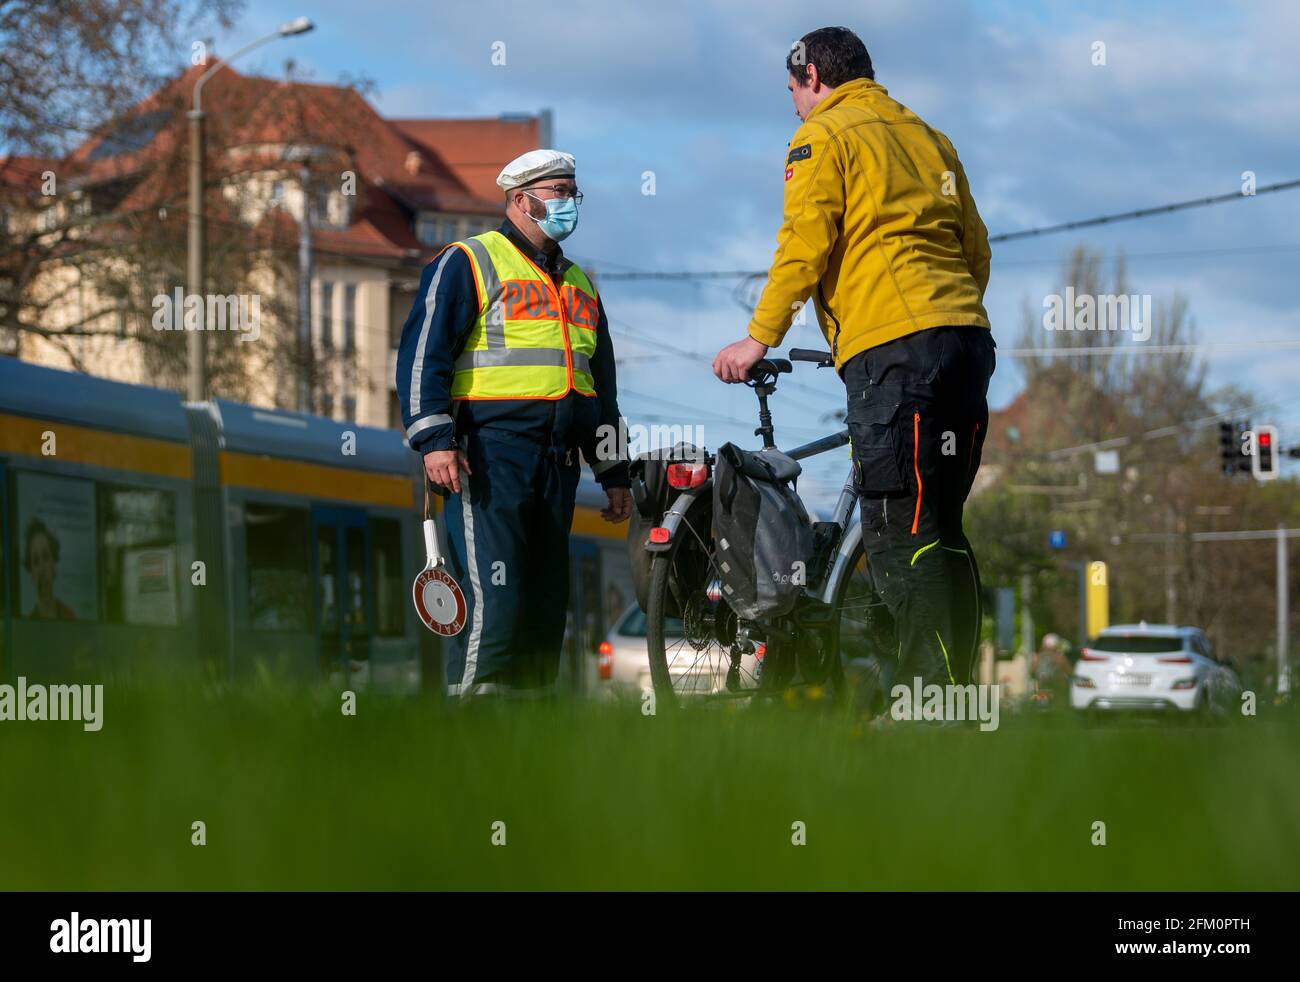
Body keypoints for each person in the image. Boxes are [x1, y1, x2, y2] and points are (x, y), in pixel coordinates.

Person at [712, 26, 995, 691]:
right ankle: (950, 697)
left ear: (812, 76)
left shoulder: (824, 135)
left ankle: (927, 702)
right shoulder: (929, 138)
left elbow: (804, 243)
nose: (794, 106)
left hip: (894, 352)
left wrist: (759, 337)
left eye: (793, 91)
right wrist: (942, 316)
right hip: (966, 341)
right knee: (942, 531)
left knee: (898, 530)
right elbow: (975, 247)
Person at [397, 149, 632, 698]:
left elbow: (602, 390)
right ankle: (474, 737)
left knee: (542, 616)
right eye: (559, 193)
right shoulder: (468, 261)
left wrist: (615, 472)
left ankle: (526, 751)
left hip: (557, 467)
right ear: (521, 200)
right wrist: (434, 440)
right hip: (489, 460)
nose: (570, 203)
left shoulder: (581, 285)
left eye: (574, 192)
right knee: (494, 610)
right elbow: (421, 356)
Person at [24, 518, 76, 620]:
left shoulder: (70, 616)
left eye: (46, 556)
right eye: (35, 561)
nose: (42, 569)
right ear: (31, 574)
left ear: (54, 565)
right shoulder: (28, 624)